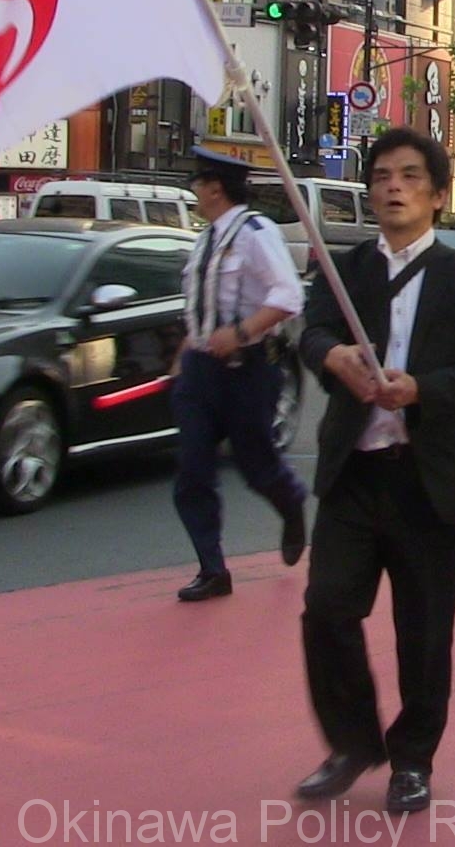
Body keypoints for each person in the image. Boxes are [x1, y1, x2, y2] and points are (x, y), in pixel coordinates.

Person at [296, 128, 455, 813]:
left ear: (438, 195)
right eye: (383, 175)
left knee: (424, 630)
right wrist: (333, 357)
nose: (393, 187)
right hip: (354, 474)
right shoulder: (345, 269)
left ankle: (412, 760)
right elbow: (312, 332)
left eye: (411, 176)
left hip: (429, 481)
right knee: (328, 607)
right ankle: (352, 742)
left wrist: (420, 391)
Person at [168, 149, 309, 602]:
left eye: (198, 184)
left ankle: (290, 503)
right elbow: (201, 309)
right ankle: (212, 568)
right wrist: (186, 353)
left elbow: (288, 296)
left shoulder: (254, 233)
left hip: (247, 368)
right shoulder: (205, 240)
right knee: (192, 472)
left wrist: (242, 332)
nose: (194, 192)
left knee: (256, 466)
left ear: (215, 188)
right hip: (201, 369)